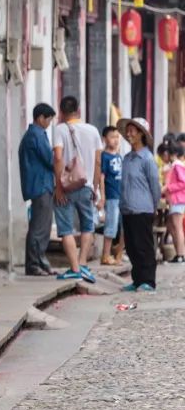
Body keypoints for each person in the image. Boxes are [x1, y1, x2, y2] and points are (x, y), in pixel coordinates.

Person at [52, 96, 101, 284]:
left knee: (66, 228)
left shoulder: (60, 129)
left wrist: (58, 187)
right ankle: (82, 264)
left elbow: (58, 157)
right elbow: (98, 161)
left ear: (61, 112)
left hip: (66, 186)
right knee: (88, 225)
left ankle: (74, 268)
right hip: (86, 185)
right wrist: (95, 186)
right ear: (78, 110)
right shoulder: (93, 131)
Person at [117, 117, 161, 292]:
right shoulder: (127, 158)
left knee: (144, 247)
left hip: (143, 210)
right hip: (127, 209)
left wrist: (155, 206)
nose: (128, 134)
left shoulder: (147, 159)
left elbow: (154, 186)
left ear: (141, 134)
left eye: (132, 131)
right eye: (127, 131)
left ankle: (148, 281)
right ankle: (137, 280)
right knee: (132, 248)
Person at [19, 103, 57, 275]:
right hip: (40, 185)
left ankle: (39, 261)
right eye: (48, 119)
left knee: (42, 225)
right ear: (41, 118)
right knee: (40, 227)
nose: (49, 123)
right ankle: (34, 263)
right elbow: (50, 159)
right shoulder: (37, 134)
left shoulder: (34, 134)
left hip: (40, 184)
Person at [97, 125, 124, 266]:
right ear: (104, 139)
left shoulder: (119, 155)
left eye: (117, 137)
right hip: (111, 195)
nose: (115, 140)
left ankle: (118, 254)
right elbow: (101, 177)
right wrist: (103, 196)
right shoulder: (104, 156)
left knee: (121, 226)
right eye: (112, 137)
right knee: (111, 225)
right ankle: (105, 255)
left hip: (121, 195)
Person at [162, 143, 185, 264]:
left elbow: (183, 182)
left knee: (177, 226)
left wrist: (168, 188)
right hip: (175, 199)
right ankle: (178, 253)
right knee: (172, 225)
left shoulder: (177, 165)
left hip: (178, 199)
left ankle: (181, 255)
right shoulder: (174, 165)